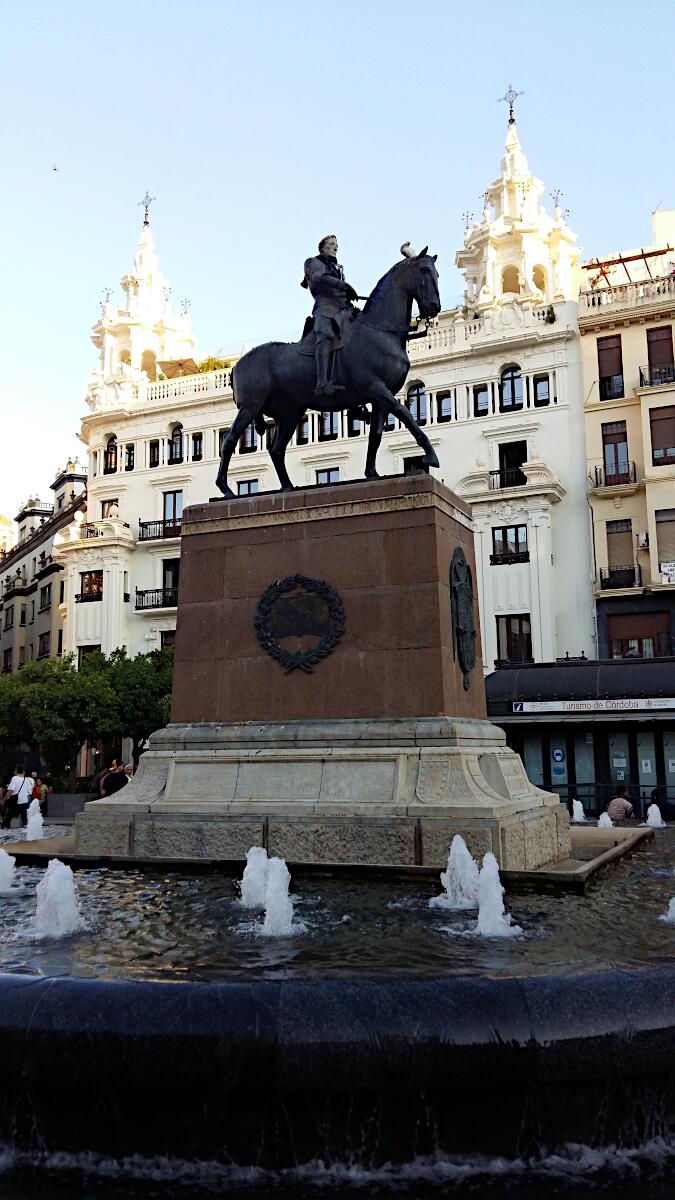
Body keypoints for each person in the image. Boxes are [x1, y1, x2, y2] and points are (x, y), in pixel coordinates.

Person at [301, 234, 359, 396]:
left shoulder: (338, 268)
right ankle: (321, 383)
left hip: (343, 309)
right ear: (322, 247)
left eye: (336, 244)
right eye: (331, 244)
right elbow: (320, 278)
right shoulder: (313, 262)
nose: (335, 247)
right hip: (325, 307)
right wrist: (345, 285)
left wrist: (347, 294)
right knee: (325, 335)